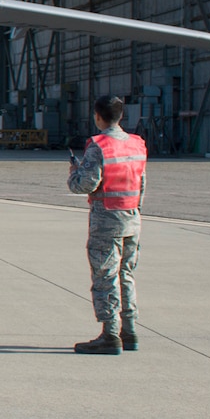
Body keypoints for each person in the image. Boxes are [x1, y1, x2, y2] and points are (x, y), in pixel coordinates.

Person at [67, 95, 145, 355]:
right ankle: (129, 330)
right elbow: (141, 183)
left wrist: (74, 174)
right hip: (132, 217)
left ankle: (110, 334)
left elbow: (86, 184)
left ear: (98, 116)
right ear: (121, 116)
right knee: (126, 274)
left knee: (105, 276)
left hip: (106, 220)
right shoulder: (137, 144)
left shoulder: (99, 146)